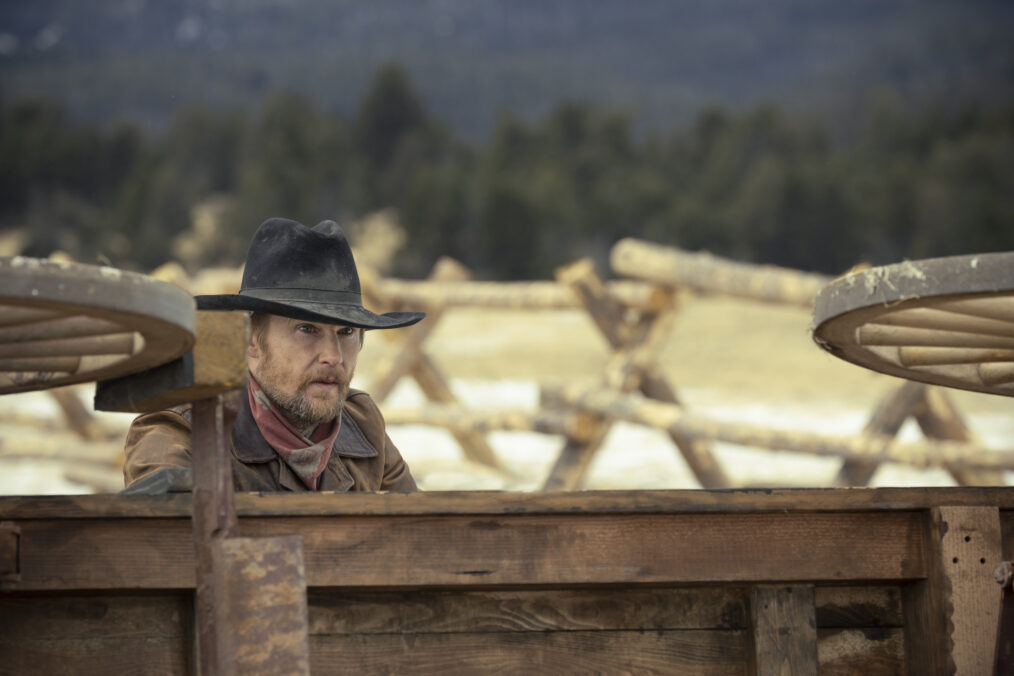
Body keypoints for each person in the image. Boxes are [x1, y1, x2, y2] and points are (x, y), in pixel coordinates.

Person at [122, 217, 424, 492]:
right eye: (307, 329)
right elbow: (163, 539)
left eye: (346, 332)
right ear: (251, 339)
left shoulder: (364, 425)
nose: (333, 356)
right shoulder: (184, 430)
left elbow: (420, 539)